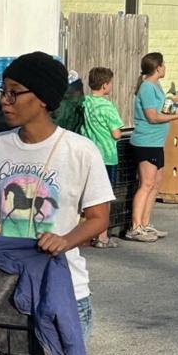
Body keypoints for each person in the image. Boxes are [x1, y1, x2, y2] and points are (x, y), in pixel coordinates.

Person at [0, 51, 114, 342]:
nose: (4, 101)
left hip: (65, 289)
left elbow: (99, 218)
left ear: (43, 99)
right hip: (9, 287)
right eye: (3, 92)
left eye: (13, 93)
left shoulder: (80, 150)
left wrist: (64, 240)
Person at [126, 53, 178, 242]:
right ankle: (135, 227)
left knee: (156, 184)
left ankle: (145, 223)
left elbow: (161, 110)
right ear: (158, 67)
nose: (165, 67)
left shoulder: (156, 86)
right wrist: (177, 116)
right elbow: (152, 116)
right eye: (163, 65)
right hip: (146, 142)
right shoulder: (146, 88)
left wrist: (174, 105)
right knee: (146, 184)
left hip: (157, 142)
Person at [81, 67, 125, 248]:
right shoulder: (107, 106)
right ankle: (102, 236)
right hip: (107, 155)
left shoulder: (85, 102)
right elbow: (116, 133)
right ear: (105, 85)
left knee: (88, 196)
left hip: (89, 153)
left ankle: (86, 232)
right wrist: (119, 134)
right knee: (104, 198)